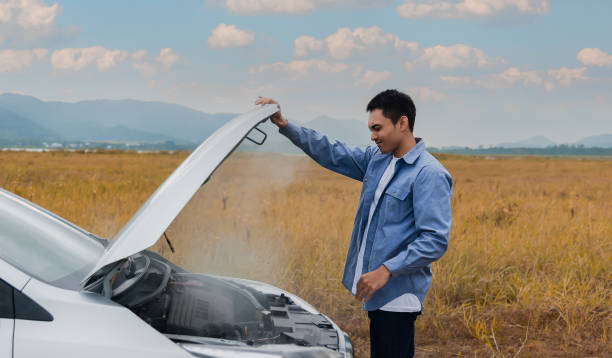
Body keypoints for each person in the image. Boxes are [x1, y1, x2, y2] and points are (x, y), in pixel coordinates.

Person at [255, 89, 453, 358]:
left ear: (402, 124)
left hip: (397, 295)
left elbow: (434, 240)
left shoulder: (429, 174)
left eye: (377, 128)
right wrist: (286, 126)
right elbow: (332, 152)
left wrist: (386, 270)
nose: (372, 136)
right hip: (379, 293)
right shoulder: (377, 160)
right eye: (371, 129)